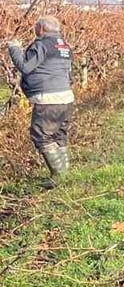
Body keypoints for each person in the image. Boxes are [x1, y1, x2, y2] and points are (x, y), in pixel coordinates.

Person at [7, 15, 74, 182]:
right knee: (59, 134)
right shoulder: (64, 46)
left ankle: (59, 176)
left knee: (41, 135)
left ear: (42, 29)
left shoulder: (42, 44)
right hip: (65, 96)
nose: (34, 30)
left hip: (48, 98)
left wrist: (14, 48)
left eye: (36, 27)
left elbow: (25, 67)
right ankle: (65, 174)